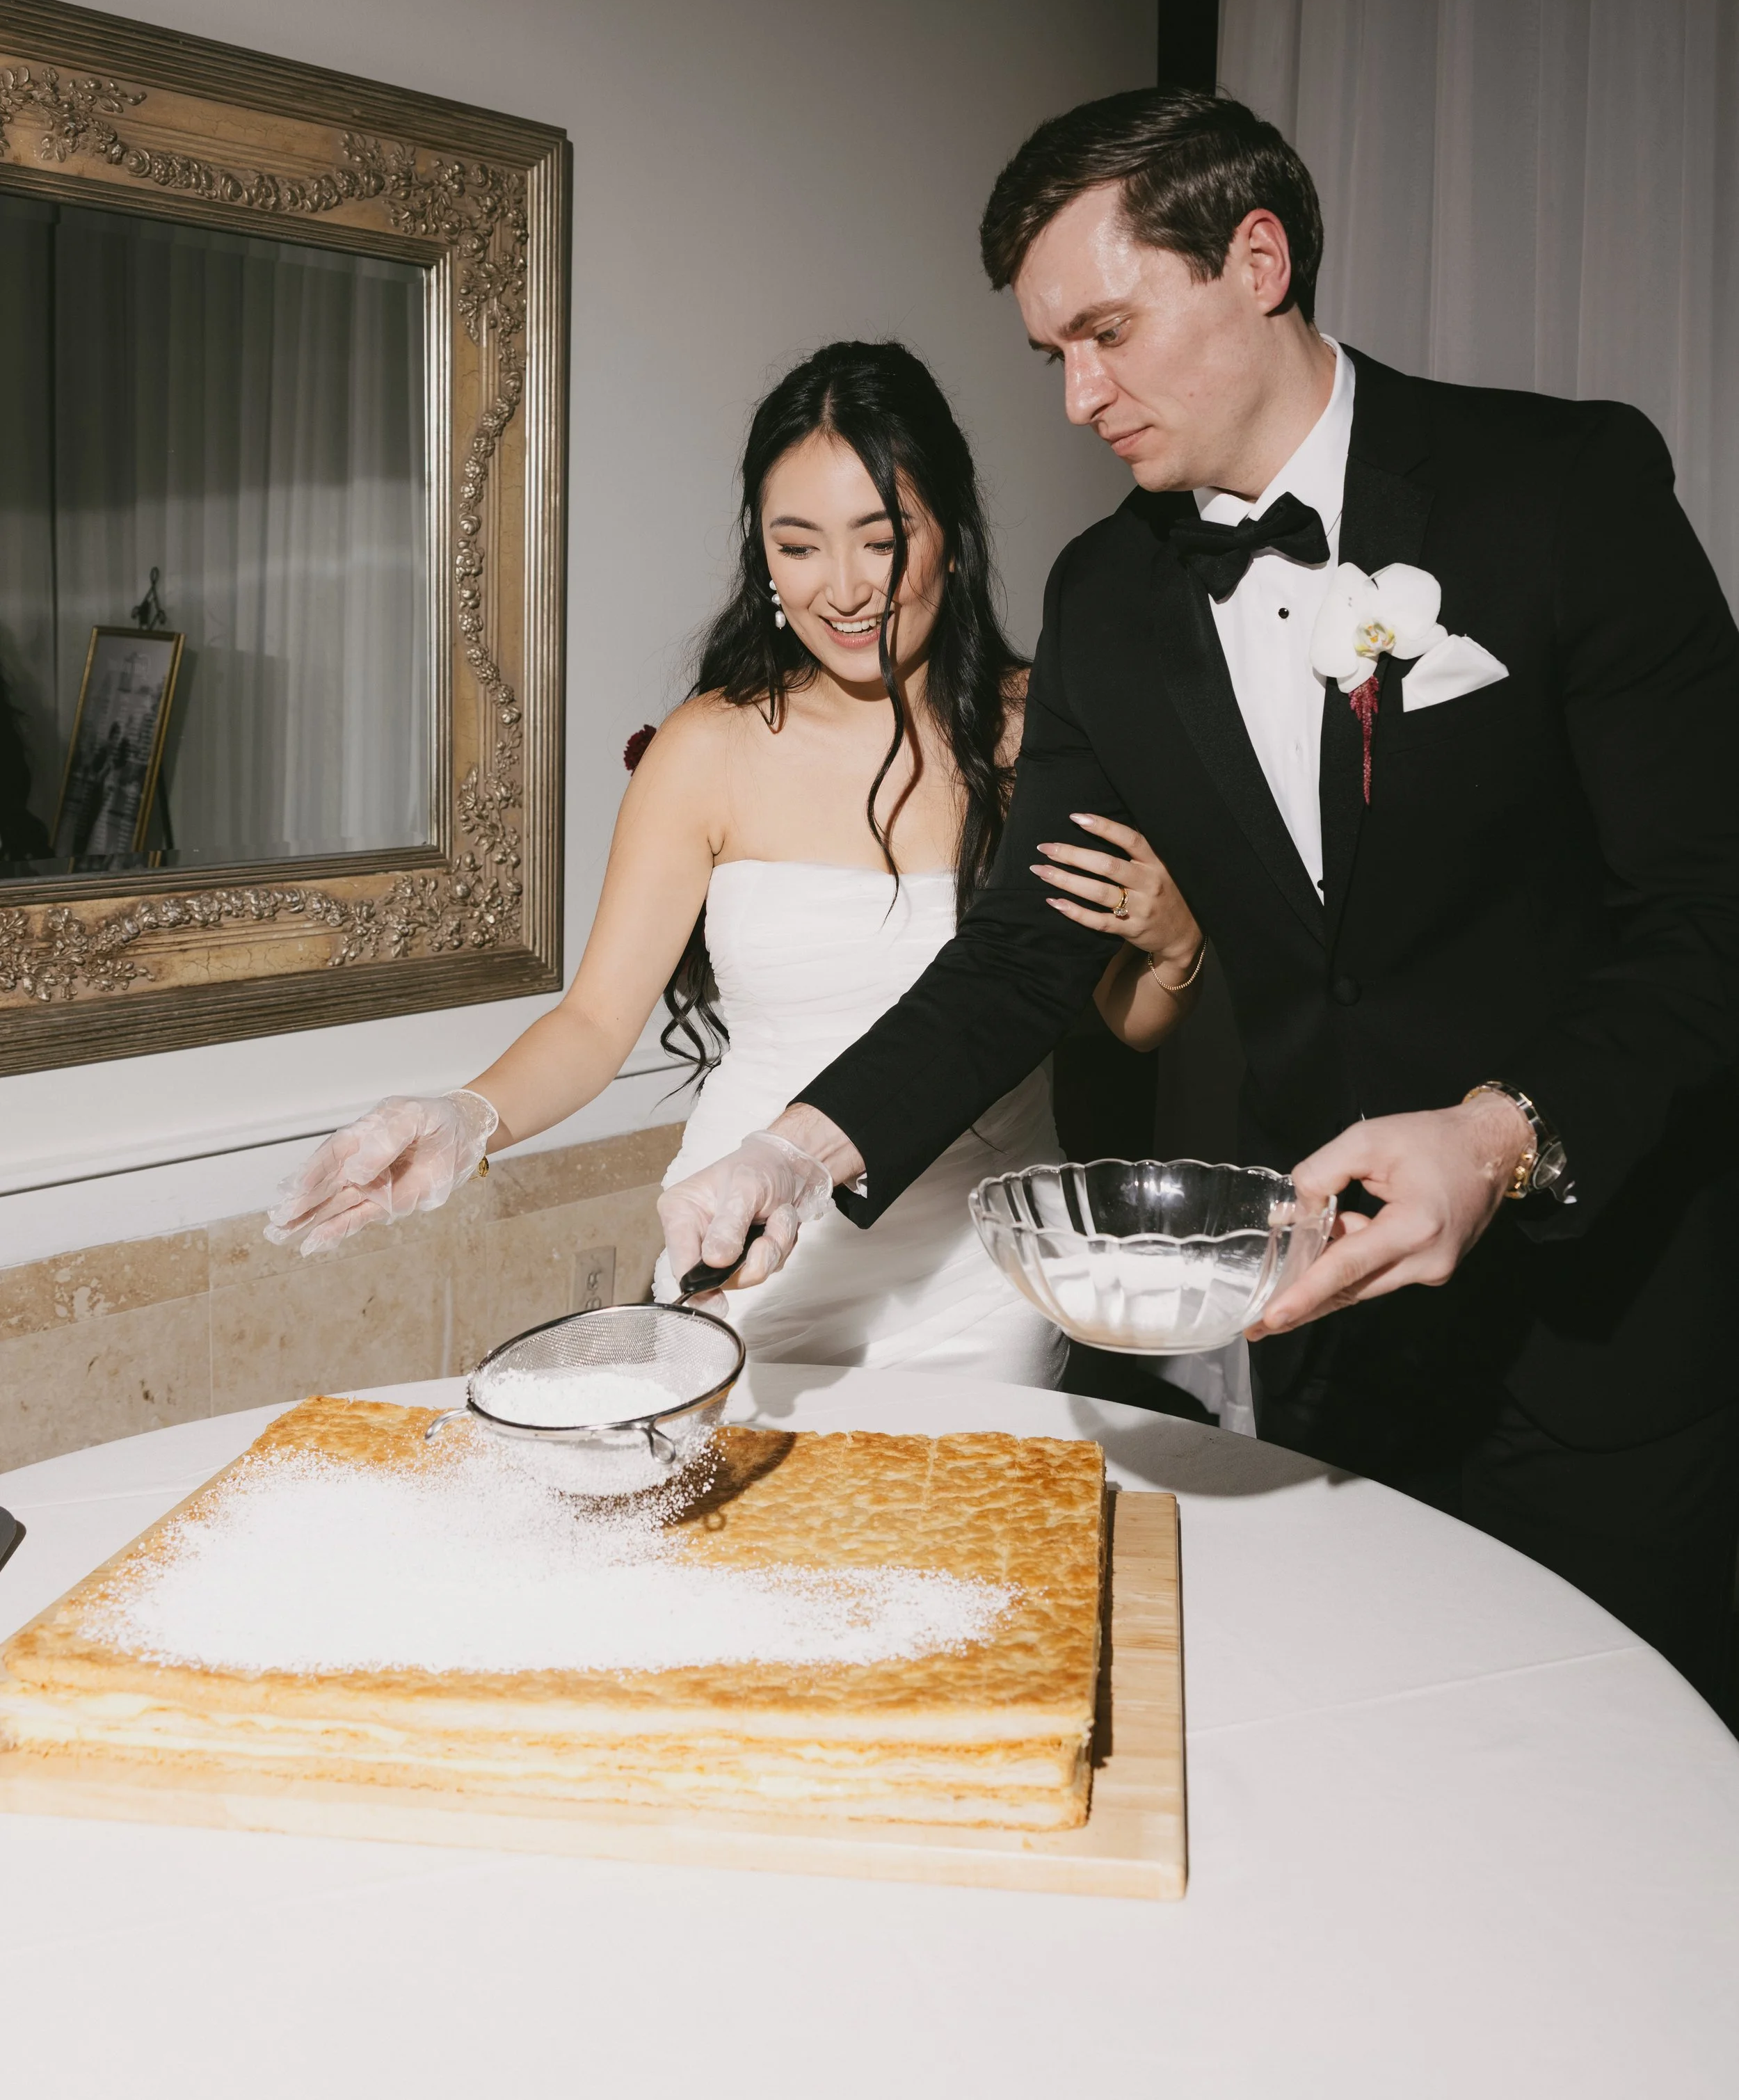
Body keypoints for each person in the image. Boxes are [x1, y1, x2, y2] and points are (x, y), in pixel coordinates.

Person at [659, 93, 1739, 1708]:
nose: (1078, 397)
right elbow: (1020, 954)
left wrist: (1503, 1134)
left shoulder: (1559, 487)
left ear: (1255, 259)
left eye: (1106, 333)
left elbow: (1707, 908)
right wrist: (792, 1152)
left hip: (1607, 1330)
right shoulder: (1106, 597)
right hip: (1326, 1344)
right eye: (1052, 355)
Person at [266, 339, 1204, 1381]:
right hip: (746, 1246)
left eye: (881, 541)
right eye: (798, 546)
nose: (843, 589)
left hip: (981, 1277)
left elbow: (1110, 1016)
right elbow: (594, 1022)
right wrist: (463, 1118)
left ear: (951, 533)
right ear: (763, 556)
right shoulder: (706, 748)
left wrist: (1177, 948)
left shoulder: (1040, 735)